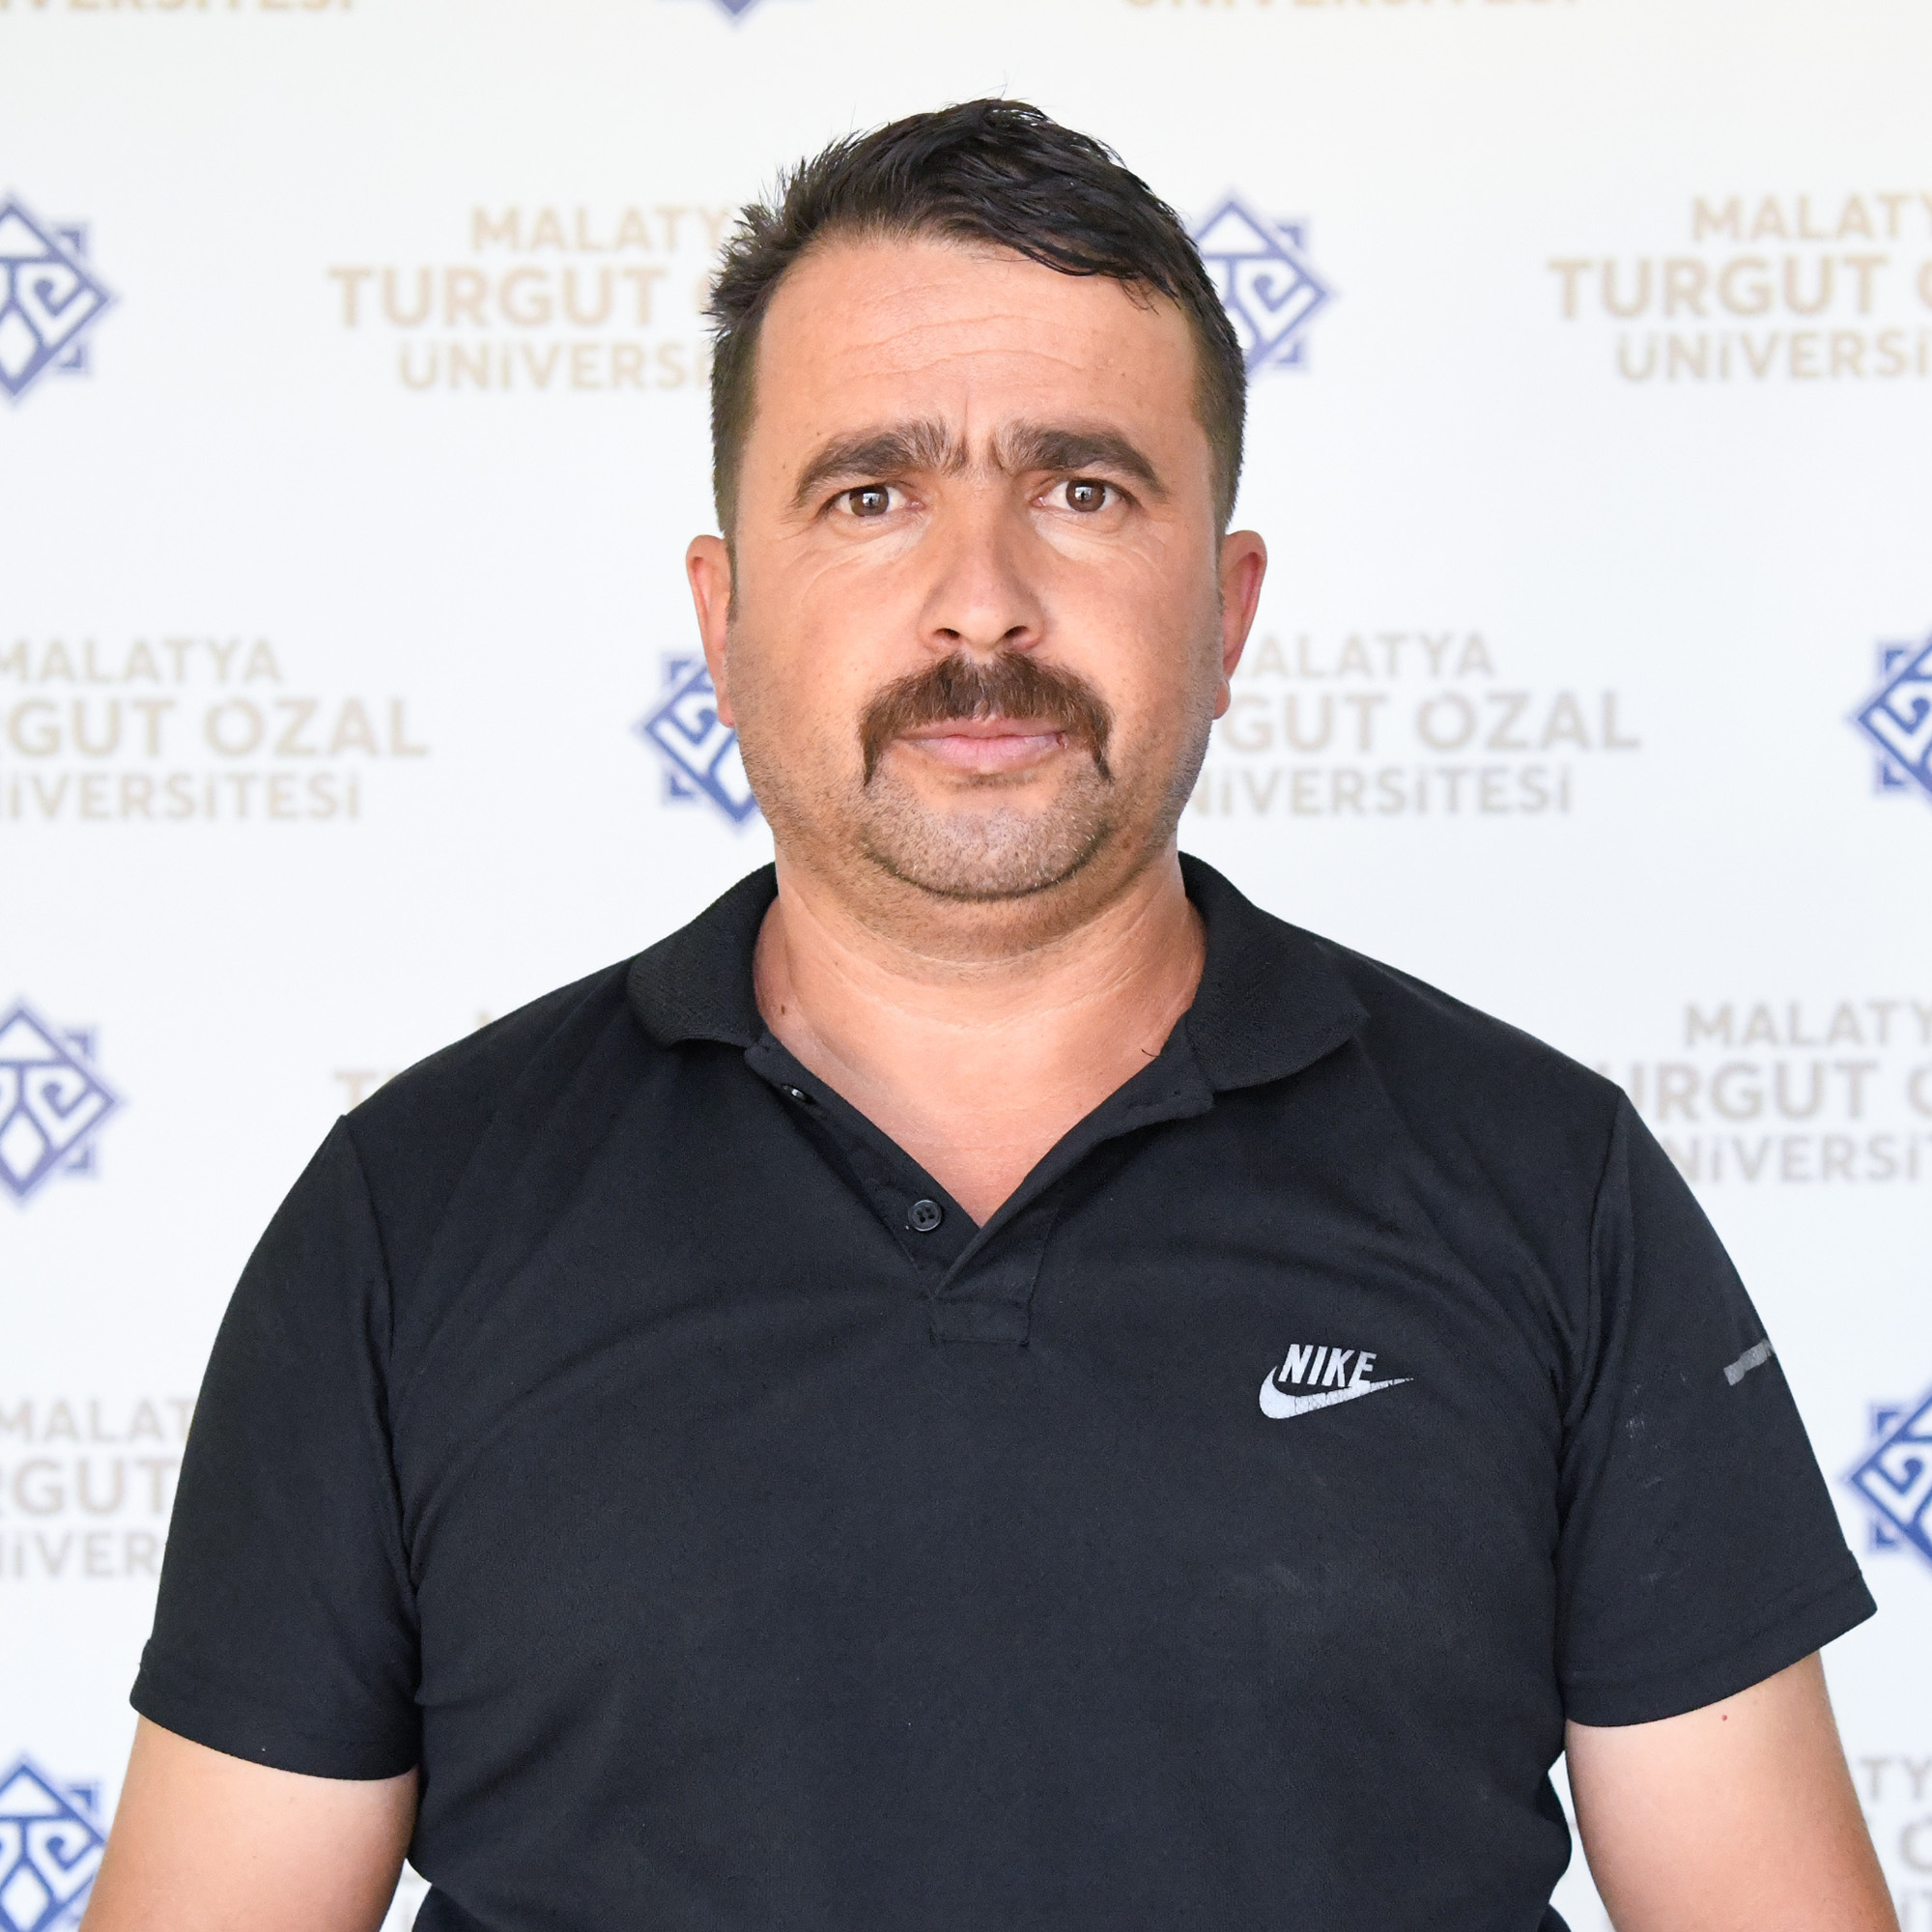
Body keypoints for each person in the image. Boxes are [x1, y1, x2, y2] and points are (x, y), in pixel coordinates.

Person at [83, 100, 1893, 1932]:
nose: (981, 606)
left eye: (1080, 490)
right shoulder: (411, 1219)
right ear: (722, 619)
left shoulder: (1550, 1189)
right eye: (872, 495)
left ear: (1227, 612)